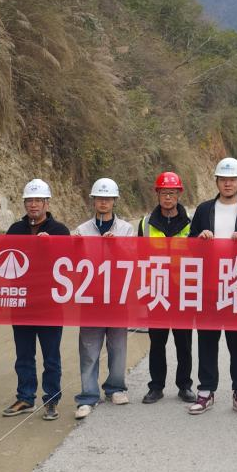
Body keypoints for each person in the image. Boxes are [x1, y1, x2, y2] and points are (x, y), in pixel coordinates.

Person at [187, 157, 237, 416]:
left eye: (232, 179)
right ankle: (205, 391)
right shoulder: (204, 210)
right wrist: (200, 239)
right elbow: (190, 244)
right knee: (207, 341)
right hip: (209, 286)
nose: (228, 183)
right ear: (217, 182)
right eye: (223, 179)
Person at [2, 179, 71, 420]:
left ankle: (52, 399)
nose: (33, 205)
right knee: (23, 355)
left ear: (46, 203)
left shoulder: (59, 231)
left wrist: (50, 246)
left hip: (50, 304)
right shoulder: (14, 230)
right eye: (29, 200)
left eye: (38, 200)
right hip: (22, 302)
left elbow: (69, 261)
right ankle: (25, 397)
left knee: (51, 357)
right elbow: (1, 259)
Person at [73, 178, 135, 420]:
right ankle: (88, 395)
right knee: (89, 348)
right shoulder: (82, 230)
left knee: (118, 345)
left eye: (107, 198)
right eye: (99, 198)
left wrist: (116, 246)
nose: (103, 202)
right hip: (91, 297)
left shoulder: (126, 229)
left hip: (117, 296)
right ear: (93, 200)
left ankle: (115, 388)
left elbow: (133, 257)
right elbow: (73, 261)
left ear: (114, 201)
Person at [139, 171, 196, 405]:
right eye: (164, 193)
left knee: (184, 343)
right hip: (157, 291)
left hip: (183, 292)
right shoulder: (145, 224)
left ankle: (184, 386)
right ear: (157, 194)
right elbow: (137, 257)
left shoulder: (192, 224)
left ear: (179, 194)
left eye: (172, 193)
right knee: (157, 343)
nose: (168, 197)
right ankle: (156, 387)